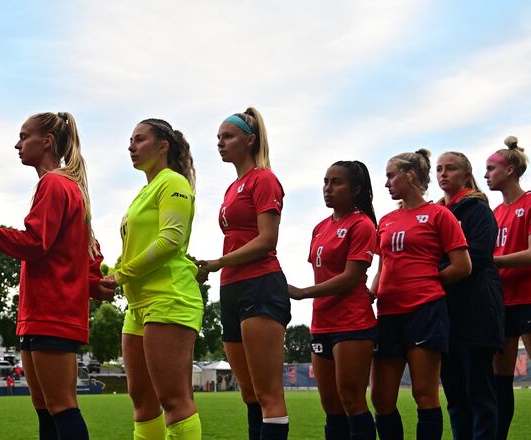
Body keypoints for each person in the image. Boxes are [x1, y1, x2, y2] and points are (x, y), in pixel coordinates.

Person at [0, 111, 109, 440]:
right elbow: (77, 253)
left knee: (61, 407)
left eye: (24, 137)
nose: (17, 144)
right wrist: (95, 283)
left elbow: (34, 243)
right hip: (40, 315)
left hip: (52, 314)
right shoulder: (65, 185)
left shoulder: (55, 183)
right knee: (46, 409)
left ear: (47, 141)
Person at [101, 118, 203, 440]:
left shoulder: (173, 183)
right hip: (137, 304)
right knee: (142, 402)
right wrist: (103, 274)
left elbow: (170, 240)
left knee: (173, 399)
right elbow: (132, 254)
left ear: (163, 145)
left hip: (169, 297)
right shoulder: (143, 193)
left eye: (140, 139)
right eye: (130, 140)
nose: (131, 146)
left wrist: (121, 276)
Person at [197, 108, 290, 440]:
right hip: (232, 288)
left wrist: (219, 262)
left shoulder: (264, 178)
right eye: (218, 138)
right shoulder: (232, 187)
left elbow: (267, 240)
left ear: (249, 140)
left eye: (228, 136)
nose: (220, 143)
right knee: (249, 394)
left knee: (268, 395)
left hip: (260, 284)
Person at [370, 149, 472, 440]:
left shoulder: (439, 215)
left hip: (425, 311)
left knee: (424, 394)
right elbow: (382, 267)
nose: (387, 183)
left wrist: (425, 280)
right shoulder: (386, 220)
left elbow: (463, 266)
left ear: (411, 175)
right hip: (388, 313)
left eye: (391, 176)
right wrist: (370, 294)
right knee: (381, 399)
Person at [288, 161, 378, 439]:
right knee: (331, 405)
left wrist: (302, 293)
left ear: (356, 189)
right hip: (322, 323)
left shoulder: (362, 225)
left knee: (352, 400)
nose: (328, 189)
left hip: (352, 322)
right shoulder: (319, 228)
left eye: (336, 182)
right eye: (326, 182)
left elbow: (351, 277)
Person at [486, 137, 531, 439]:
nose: (487, 174)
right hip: (502, 303)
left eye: (492, 168)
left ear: (511, 169)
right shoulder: (495, 213)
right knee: (499, 383)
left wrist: (490, 263)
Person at [436, 151, 504, 439]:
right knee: (455, 398)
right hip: (445, 315)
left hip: (476, 310)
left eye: (450, 168)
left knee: (479, 394)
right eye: (439, 169)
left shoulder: (477, 210)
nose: (443, 174)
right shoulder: (438, 212)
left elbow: (476, 257)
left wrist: (429, 273)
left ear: (466, 174)